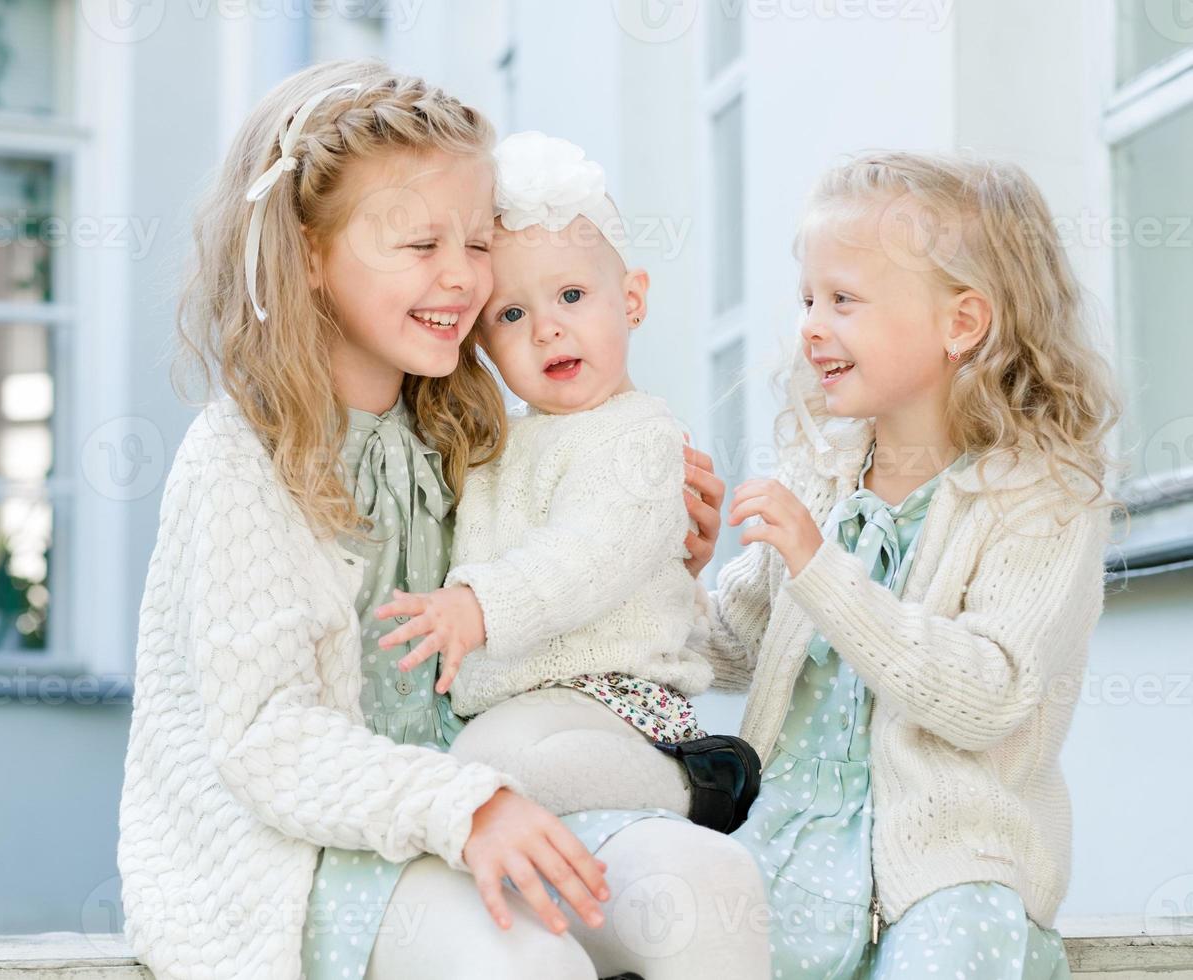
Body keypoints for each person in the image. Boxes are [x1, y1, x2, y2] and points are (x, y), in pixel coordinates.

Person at [116, 58, 769, 980]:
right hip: (310, 852)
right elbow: (267, 737)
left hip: (495, 792)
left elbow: (547, 612)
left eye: (475, 242)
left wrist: (670, 577)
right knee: (527, 962)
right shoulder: (244, 455)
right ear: (309, 255)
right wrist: (467, 806)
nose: (461, 278)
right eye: (420, 247)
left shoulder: (464, 430)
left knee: (710, 889)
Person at [686, 150, 1125, 978]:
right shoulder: (820, 471)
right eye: (808, 299)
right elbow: (737, 646)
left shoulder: (1041, 496)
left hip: (950, 871)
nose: (812, 325)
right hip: (781, 849)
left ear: (961, 324)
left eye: (844, 301)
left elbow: (988, 696)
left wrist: (823, 571)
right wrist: (678, 574)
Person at [376, 130, 721, 822]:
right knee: (483, 767)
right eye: (511, 314)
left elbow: (585, 555)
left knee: (501, 771)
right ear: (481, 340)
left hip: (613, 699)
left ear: (631, 299)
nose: (547, 330)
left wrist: (478, 607)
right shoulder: (502, 445)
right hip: (519, 704)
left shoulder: (641, 437)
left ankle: (697, 782)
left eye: (571, 295)